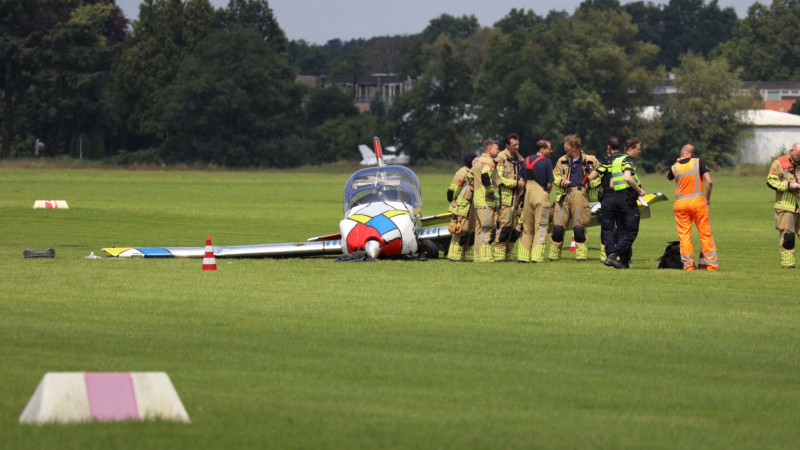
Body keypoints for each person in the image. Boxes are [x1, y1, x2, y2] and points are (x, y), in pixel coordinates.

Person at [588, 137, 646, 268]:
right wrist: (639, 190)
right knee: (630, 231)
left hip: (615, 198)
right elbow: (627, 177)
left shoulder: (614, 161)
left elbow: (612, 184)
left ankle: (621, 261)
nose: (639, 151)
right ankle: (613, 256)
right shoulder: (628, 159)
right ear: (630, 149)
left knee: (617, 229)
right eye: (638, 149)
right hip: (626, 199)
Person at [549, 135, 600, 261]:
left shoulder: (590, 160)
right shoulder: (561, 160)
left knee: (579, 228)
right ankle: (554, 256)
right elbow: (554, 175)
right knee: (557, 228)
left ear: (575, 147)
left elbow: (599, 178)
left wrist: (588, 183)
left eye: (566, 147)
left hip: (579, 194)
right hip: (563, 196)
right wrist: (561, 181)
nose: (564, 149)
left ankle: (581, 256)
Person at [666, 144, 717, 271]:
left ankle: (688, 266)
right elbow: (709, 182)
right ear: (692, 154)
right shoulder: (698, 162)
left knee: (684, 236)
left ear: (682, 153)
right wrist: (708, 198)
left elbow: (668, 176)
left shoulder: (675, 167)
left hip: (680, 205)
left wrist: (675, 162)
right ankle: (711, 266)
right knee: (705, 234)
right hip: (697, 203)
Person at [517, 140, 554, 263]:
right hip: (541, 195)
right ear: (542, 149)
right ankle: (536, 257)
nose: (551, 151)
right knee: (541, 226)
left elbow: (521, 181)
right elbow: (549, 183)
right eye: (549, 148)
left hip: (528, 194)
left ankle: (523, 256)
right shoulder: (547, 161)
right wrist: (547, 192)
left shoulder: (526, 160)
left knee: (527, 227)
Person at [766, 142, 800, 268]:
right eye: (799, 155)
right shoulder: (780, 162)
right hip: (786, 207)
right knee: (788, 237)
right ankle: (788, 264)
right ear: (791, 151)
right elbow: (770, 181)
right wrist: (788, 186)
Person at [494, 133, 524, 261]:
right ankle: (499, 254)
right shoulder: (501, 157)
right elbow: (500, 179)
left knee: (514, 228)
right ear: (507, 145)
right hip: (505, 198)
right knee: (504, 226)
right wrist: (516, 183)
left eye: (518, 144)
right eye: (514, 145)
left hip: (517, 198)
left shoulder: (519, 158)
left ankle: (508, 253)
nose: (517, 147)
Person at [471, 140, 500, 262]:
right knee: (487, 228)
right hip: (486, 200)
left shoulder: (477, 162)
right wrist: (491, 192)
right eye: (497, 149)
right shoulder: (488, 162)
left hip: (477, 200)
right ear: (490, 150)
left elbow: (470, 176)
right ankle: (485, 256)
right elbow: (485, 176)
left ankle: (477, 255)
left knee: (479, 229)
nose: (499, 150)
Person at [446, 155, 476, 262]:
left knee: (469, 232)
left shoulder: (474, 172)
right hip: (461, 206)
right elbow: (453, 189)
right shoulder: (462, 172)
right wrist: (453, 202)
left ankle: (464, 255)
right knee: (459, 231)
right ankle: (453, 255)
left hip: (471, 207)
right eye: (475, 160)